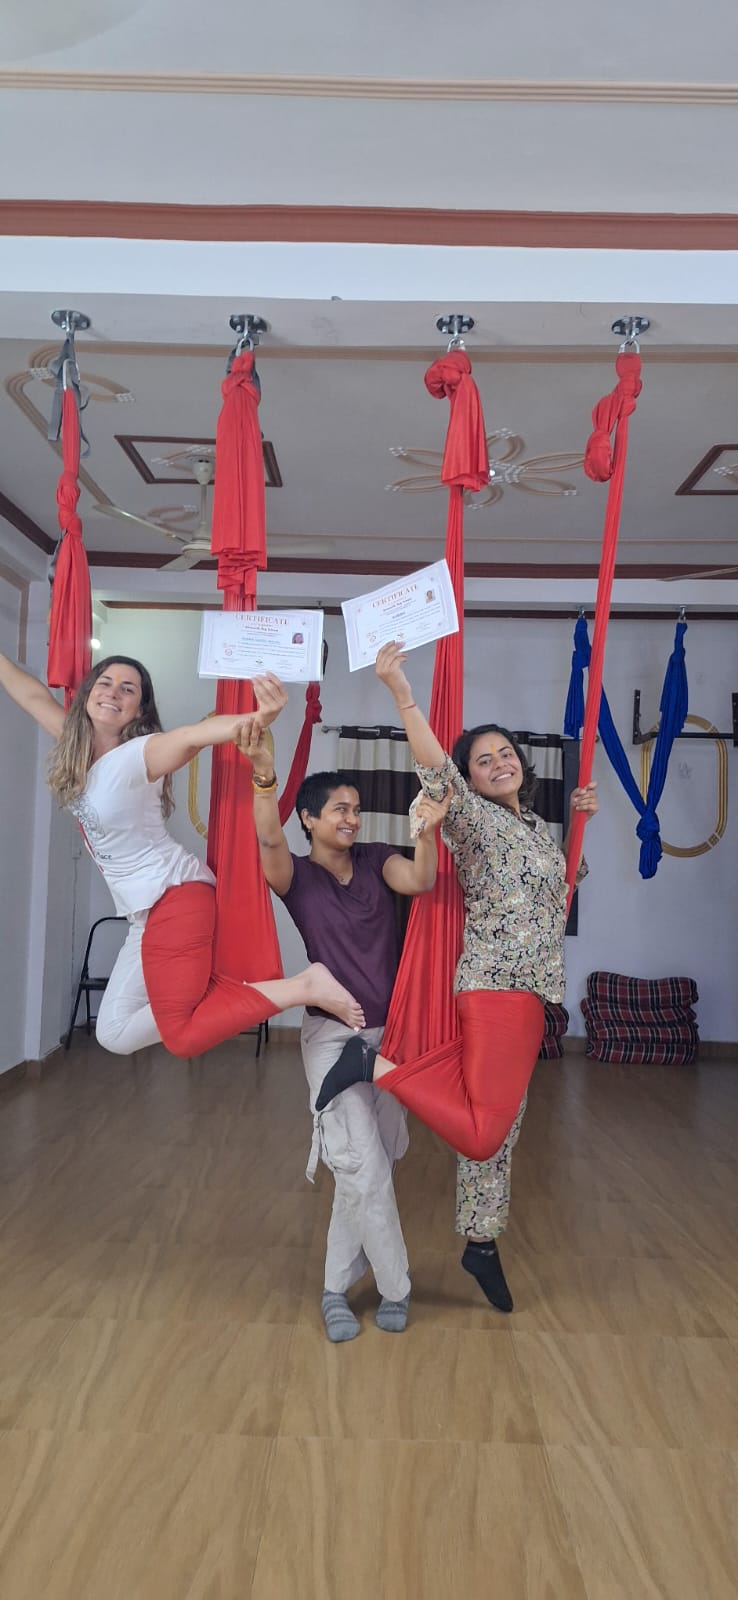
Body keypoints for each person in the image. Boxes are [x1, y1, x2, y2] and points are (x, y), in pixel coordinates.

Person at [315, 641, 599, 1308]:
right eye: (483, 759)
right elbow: (433, 766)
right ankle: (377, 1065)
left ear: (521, 767)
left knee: (502, 1125)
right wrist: (402, 693)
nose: (497, 763)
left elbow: (555, 886)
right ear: (471, 778)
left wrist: (581, 827)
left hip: (527, 990)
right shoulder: (470, 821)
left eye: (505, 754)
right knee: (483, 1130)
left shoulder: (535, 829)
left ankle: (480, 1238)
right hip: (499, 988)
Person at [0, 651, 365, 1058]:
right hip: (147, 912)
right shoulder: (74, 744)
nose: (113, 693)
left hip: (176, 899)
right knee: (114, 1032)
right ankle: (209, 991)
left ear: (139, 708)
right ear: (87, 693)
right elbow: (32, 696)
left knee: (183, 1036)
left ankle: (303, 986)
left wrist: (260, 717)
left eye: (128, 689)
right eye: (104, 682)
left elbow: (197, 734)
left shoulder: (140, 754)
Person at [238, 673, 450, 1342]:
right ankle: (394, 1286)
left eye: (355, 808)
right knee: (360, 1162)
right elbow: (267, 843)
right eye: (338, 809)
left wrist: (424, 832)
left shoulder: (381, 857)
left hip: (392, 1036)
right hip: (334, 1038)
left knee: (370, 1164)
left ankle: (334, 1288)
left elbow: (420, 879)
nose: (351, 818)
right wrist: (264, 779)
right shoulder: (295, 877)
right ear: (310, 818)